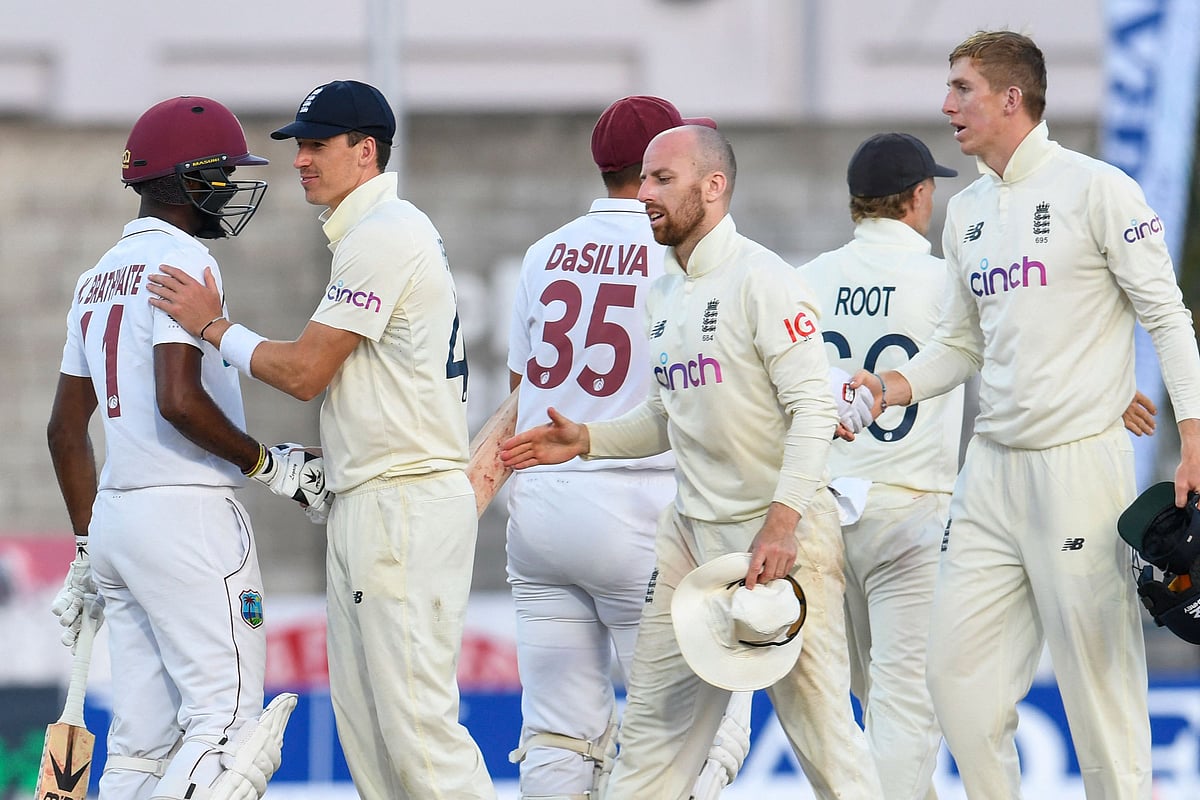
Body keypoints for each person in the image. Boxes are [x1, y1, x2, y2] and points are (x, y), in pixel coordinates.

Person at [850, 30, 1200, 799]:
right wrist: (889, 386)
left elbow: (1168, 318)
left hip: (1081, 468)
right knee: (955, 684)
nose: (947, 105)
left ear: (1013, 99)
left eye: (962, 89)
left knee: (1098, 697)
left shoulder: (1098, 188)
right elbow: (958, 345)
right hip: (990, 475)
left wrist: (1194, 441)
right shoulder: (967, 212)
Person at [501, 124, 883, 799]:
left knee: (825, 740)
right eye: (644, 178)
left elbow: (814, 412)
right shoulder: (665, 287)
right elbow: (663, 417)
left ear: (714, 187)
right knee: (651, 739)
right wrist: (588, 439)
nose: (644, 193)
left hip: (779, 535)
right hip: (686, 534)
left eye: (662, 180)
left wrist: (782, 524)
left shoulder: (765, 281)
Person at [144, 79, 494, 800]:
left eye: (316, 145)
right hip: (373, 498)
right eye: (299, 145)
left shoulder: (384, 234)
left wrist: (213, 327)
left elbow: (306, 372)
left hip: (402, 507)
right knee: (372, 743)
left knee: (419, 740)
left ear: (365, 152)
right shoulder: (373, 234)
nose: (301, 160)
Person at [46, 96, 315, 800]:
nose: (229, 188)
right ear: (189, 178)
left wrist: (84, 544)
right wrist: (269, 465)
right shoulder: (184, 258)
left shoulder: (95, 276)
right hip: (188, 518)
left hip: (117, 523)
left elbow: (64, 428)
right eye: (221, 174)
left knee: (142, 747)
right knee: (227, 731)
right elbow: (179, 398)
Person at [505, 95, 753, 800]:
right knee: (701, 715)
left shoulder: (543, 252)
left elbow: (521, 386)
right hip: (644, 507)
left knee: (557, 731)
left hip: (545, 509)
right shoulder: (682, 254)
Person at [799, 131, 963, 800]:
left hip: (826, 510)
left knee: (858, 697)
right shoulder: (947, 282)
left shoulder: (805, 281)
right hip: (912, 508)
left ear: (854, 204)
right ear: (919, 198)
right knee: (902, 701)